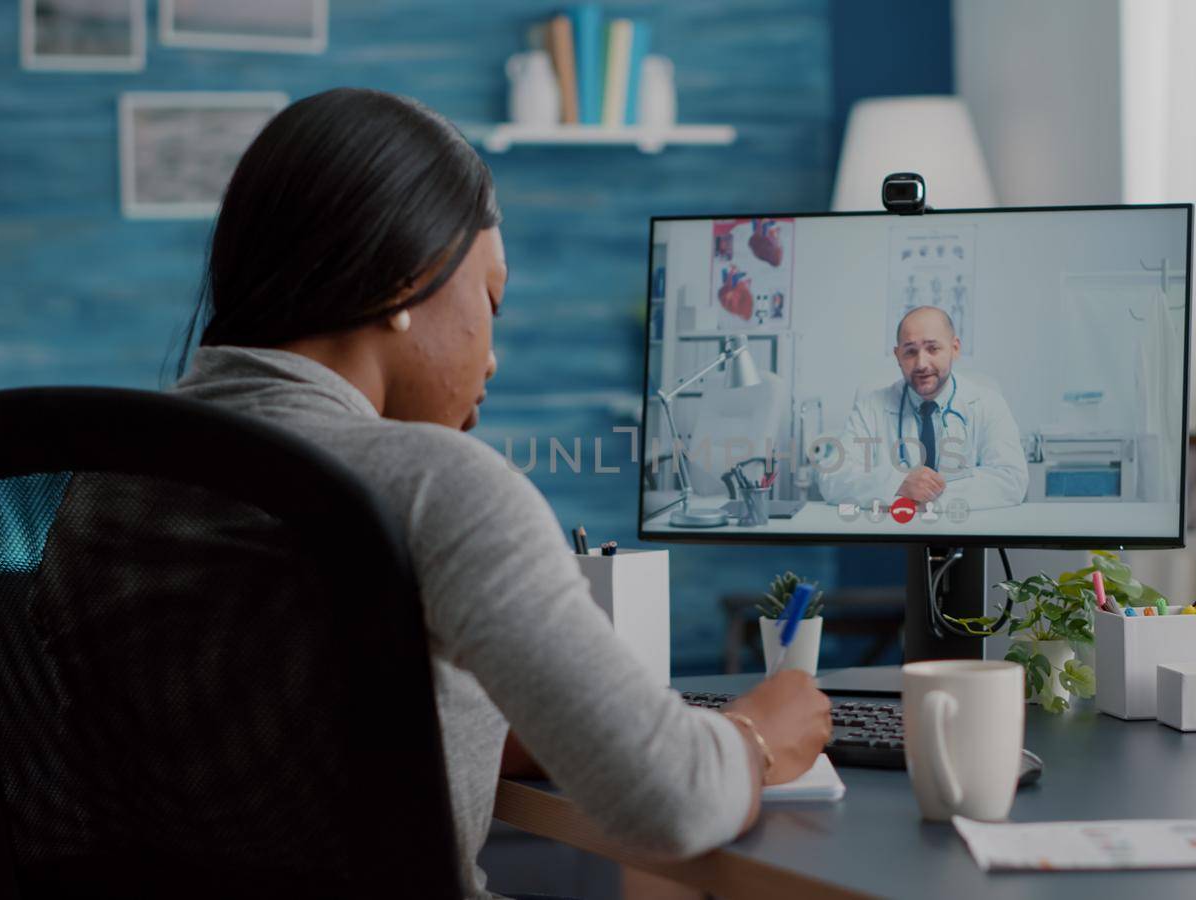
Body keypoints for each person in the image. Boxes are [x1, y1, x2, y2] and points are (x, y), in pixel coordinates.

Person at [170, 88, 831, 897]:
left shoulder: (98, 485)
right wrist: (759, 733)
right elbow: (675, 802)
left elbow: (272, 736)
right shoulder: (438, 484)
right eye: (490, 301)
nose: (493, 357)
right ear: (402, 281)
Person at [817, 306, 1028, 511]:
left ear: (954, 349)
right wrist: (898, 484)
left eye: (933, 348)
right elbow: (832, 477)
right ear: (897, 355)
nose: (921, 363)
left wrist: (926, 496)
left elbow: (1011, 480)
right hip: (893, 535)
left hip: (966, 535)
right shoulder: (870, 406)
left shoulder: (988, 403)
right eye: (910, 352)